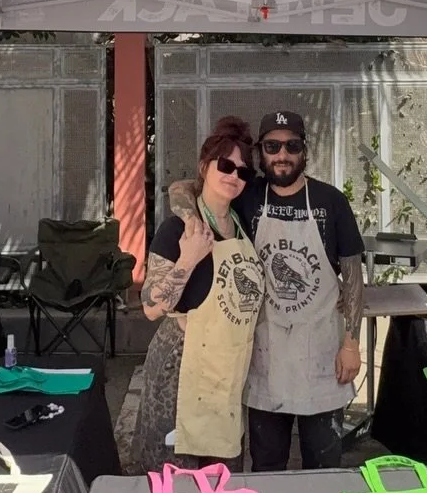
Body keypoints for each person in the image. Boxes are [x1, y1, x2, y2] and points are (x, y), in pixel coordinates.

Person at [172, 108, 364, 471]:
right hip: (265, 360)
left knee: (325, 468)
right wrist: (190, 220)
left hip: (321, 356)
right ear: (260, 153)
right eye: (273, 146)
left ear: (304, 151)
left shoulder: (330, 202)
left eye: (292, 145)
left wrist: (351, 343)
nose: (282, 155)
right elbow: (183, 188)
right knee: (266, 469)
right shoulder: (247, 194)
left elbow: (353, 278)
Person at [130, 116, 265, 474]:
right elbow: (150, 307)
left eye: (243, 172)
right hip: (180, 371)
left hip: (225, 373)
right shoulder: (177, 228)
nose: (234, 175)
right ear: (205, 167)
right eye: (225, 165)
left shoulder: (243, 224)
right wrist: (188, 259)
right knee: (176, 481)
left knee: (221, 480)